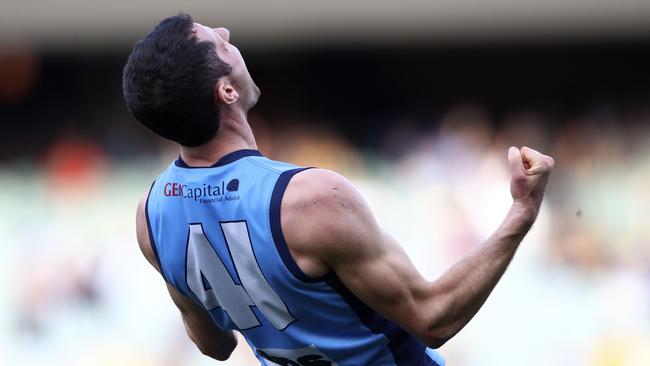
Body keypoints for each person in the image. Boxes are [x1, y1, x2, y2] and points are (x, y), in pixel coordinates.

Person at [123, 14, 554, 366]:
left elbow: (214, 346)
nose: (226, 32)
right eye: (217, 43)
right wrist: (521, 213)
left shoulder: (151, 216)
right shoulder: (309, 198)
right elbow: (433, 318)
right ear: (227, 90)